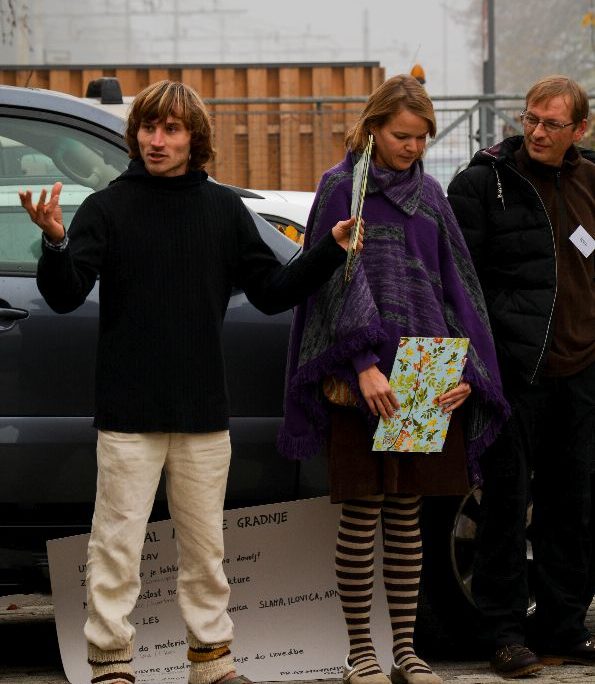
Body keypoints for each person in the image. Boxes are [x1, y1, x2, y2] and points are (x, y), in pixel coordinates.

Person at [18, 80, 360, 684]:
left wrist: (329, 250)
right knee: (116, 546)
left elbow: (272, 291)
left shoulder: (223, 210)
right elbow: (65, 294)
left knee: (206, 549)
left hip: (202, 410)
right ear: (136, 136)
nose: (157, 140)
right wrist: (55, 241)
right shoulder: (106, 208)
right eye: (149, 128)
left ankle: (212, 661)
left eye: (171, 129)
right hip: (128, 411)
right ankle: (111, 663)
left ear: (193, 139)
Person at [278, 74, 509, 684]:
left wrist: (465, 370)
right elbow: (327, 285)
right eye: (402, 135)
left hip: (424, 373)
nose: (412, 146)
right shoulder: (340, 189)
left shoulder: (430, 194)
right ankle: (361, 654)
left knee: (407, 517)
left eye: (421, 137)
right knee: (362, 515)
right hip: (362, 379)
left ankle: (405, 652)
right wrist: (362, 366)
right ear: (373, 127)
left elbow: (456, 286)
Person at [448, 74, 595, 678]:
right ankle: (504, 635)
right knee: (505, 507)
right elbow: (458, 282)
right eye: (530, 118)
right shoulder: (484, 183)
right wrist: (476, 362)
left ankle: (564, 626)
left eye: (551, 124)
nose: (536, 132)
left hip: (581, 373)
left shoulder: (591, 181)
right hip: (511, 372)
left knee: (573, 505)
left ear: (579, 129)